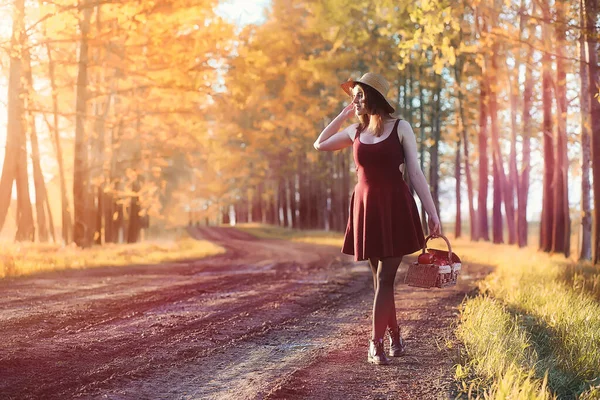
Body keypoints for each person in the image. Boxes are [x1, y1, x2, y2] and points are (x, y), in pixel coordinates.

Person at [313, 72, 441, 365]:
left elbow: (416, 173)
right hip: (366, 208)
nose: (355, 101)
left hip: (395, 207)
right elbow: (319, 144)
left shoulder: (401, 127)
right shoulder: (354, 133)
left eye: (359, 96)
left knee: (384, 279)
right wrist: (343, 113)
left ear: (374, 97)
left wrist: (431, 212)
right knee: (379, 282)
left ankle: (376, 344)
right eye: (353, 97)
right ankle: (395, 336)